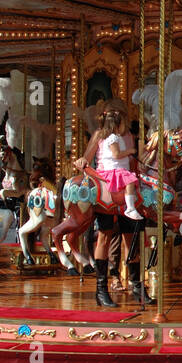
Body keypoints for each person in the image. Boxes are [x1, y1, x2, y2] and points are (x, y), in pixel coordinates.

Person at [74, 110, 143, 307]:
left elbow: (133, 162)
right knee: (104, 235)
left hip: (126, 185)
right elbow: (86, 159)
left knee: (131, 236)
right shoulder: (101, 136)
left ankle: (137, 286)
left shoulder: (128, 136)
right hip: (108, 186)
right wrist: (82, 163)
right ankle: (101, 289)